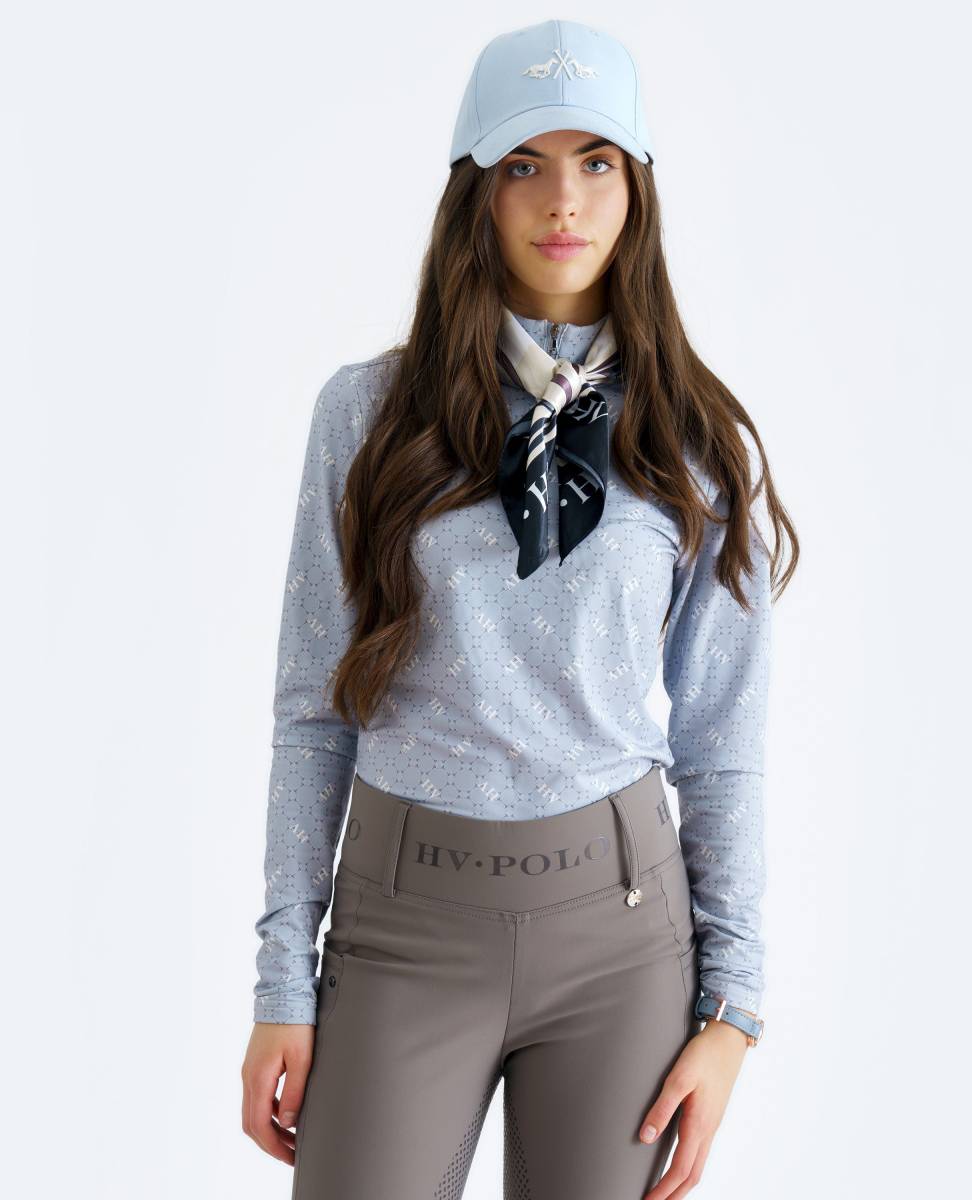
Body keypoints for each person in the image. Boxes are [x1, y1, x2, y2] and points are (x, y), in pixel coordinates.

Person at [240, 17, 799, 1199]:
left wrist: (733, 1012)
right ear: (476, 193)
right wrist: (284, 981)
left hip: (621, 937)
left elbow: (721, 739)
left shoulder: (695, 439)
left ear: (638, 188)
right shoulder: (367, 416)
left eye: (597, 160)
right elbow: (312, 712)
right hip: (403, 925)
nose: (564, 200)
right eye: (524, 165)